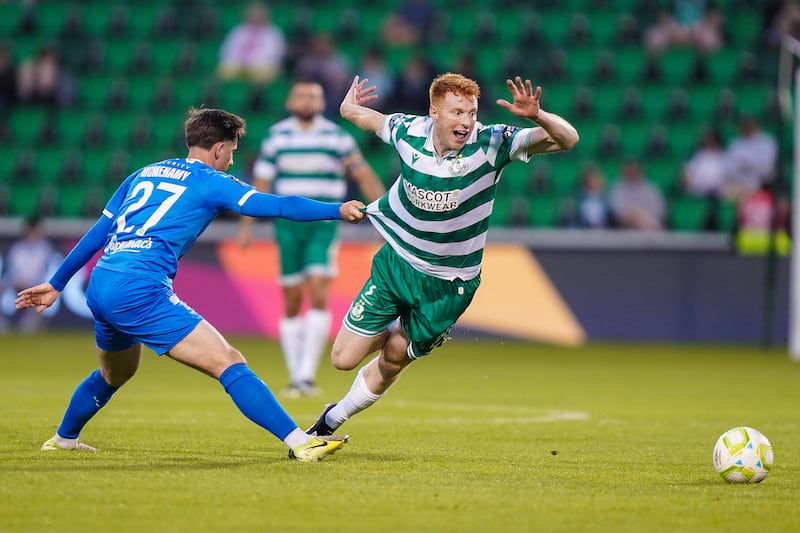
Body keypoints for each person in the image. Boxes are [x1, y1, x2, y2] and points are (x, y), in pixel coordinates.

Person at [14, 108, 366, 461]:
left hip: (103, 280)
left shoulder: (143, 173)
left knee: (115, 371)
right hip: (141, 286)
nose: (231, 160)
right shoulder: (211, 181)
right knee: (229, 362)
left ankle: (63, 440)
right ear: (218, 149)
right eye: (232, 150)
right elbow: (278, 205)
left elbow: (98, 233)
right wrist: (336, 209)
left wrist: (57, 282)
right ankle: (301, 442)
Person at [303, 73, 579, 438]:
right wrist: (347, 106)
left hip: (450, 285)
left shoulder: (493, 142)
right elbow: (366, 118)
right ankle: (394, 327)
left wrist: (538, 116)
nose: (466, 122)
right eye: (457, 112)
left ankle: (332, 420)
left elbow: (568, 139)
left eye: (471, 112)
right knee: (342, 359)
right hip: (398, 262)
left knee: (394, 358)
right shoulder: (408, 131)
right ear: (433, 112)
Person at [238, 79, 385, 398]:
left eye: (314, 95)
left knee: (318, 288)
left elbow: (362, 173)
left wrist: (385, 217)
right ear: (291, 100)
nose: (307, 100)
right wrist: (247, 225)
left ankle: (305, 375)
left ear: (322, 102)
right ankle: (296, 375)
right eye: (301, 94)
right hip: (287, 224)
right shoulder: (278, 135)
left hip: (323, 222)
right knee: (291, 298)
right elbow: (262, 180)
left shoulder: (336, 137)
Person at [0, 215, 56, 334]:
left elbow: (46, 271)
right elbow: (11, 270)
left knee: (45, 292)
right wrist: (15, 282)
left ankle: (31, 325)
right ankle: (2, 324)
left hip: (36, 285)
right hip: (16, 283)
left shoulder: (46, 248)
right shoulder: (18, 248)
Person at [216, 2, 286, 85]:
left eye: (258, 16)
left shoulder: (273, 32)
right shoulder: (238, 31)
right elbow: (228, 50)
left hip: (261, 66)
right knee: (223, 70)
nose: (255, 18)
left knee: (267, 72)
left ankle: (257, 96)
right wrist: (240, 62)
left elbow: (274, 53)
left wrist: (251, 63)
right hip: (238, 65)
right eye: (253, 15)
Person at [724, 115, 778, 203]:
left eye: (749, 124)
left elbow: (767, 168)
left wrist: (749, 166)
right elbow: (728, 168)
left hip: (759, 183)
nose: (746, 126)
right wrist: (743, 169)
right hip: (737, 183)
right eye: (744, 124)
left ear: (756, 125)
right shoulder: (735, 144)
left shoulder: (767, 142)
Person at [609, 159, 666, 230]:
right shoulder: (617, 188)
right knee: (636, 214)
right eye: (630, 171)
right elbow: (617, 212)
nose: (633, 173)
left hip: (650, 224)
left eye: (636, 170)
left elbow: (659, 211)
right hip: (625, 227)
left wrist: (642, 215)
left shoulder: (651, 189)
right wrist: (636, 214)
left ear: (641, 172)